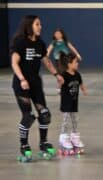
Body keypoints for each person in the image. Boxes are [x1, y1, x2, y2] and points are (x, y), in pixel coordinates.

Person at [10, 15, 64, 161]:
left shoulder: (40, 43)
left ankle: (43, 143)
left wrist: (57, 75)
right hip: (22, 85)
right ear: (29, 26)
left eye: (40, 24)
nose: (40, 27)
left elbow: (46, 61)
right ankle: (24, 145)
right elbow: (14, 63)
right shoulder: (20, 42)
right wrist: (22, 79)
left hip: (35, 85)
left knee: (45, 114)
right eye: (37, 24)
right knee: (28, 117)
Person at [58, 52, 87, 155]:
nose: (77, 64)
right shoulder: (64, 75)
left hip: (74, 102)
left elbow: (81, 83)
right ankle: (63, 137)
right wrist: (60, 84)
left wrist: (84, 90)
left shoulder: (77, 74)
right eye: (75, 62)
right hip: (66, 103)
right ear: (69, 64)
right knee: (65, 121)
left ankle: (74, 137)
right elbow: (60, 83)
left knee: (75, 120)